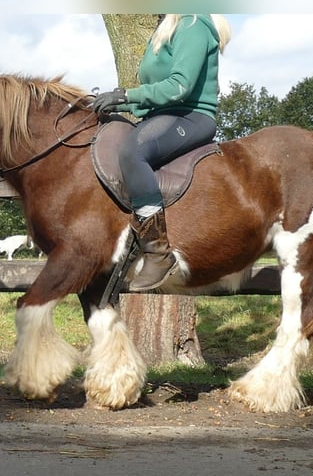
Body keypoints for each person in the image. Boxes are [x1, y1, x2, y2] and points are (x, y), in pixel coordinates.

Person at [91, 14, 232, 292]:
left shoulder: (193, 23)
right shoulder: (164, 29)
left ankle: (158, 252)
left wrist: (126, 96)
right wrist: (118, 102)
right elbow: (153, 94)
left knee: (134, 152)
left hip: (191, 116)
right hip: (163, 115)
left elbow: (180, 85)